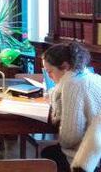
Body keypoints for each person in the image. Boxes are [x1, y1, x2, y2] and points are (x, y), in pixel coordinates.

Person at [41, 43, 101, 172]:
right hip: (96, 149)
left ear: (65, 67)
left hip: (89, 159)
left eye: (50, 71)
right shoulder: (90, 76)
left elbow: (70, 138)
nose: (49, 77)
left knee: (49, 154)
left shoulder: (71, 85)